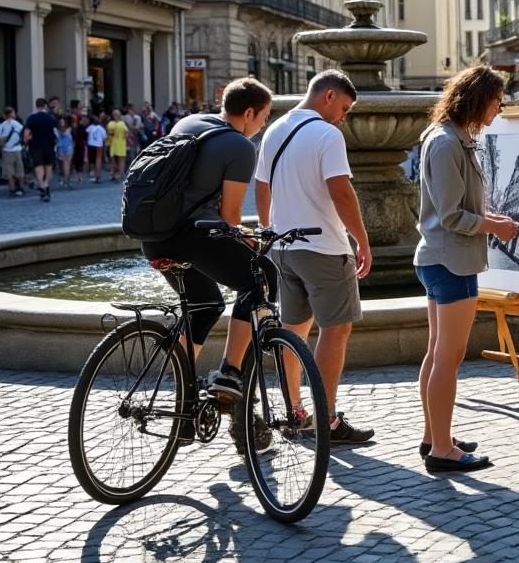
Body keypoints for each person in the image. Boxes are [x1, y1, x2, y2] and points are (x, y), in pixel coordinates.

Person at [137, 78, 276, 449]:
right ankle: (230, 373)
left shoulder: (188, 123)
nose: (263, 125)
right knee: (261, 277)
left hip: (153, 236)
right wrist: (250, 238)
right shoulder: (240, 146)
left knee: (207, 305)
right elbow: (229, 218)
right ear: (249, 113)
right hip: (191, 236)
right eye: (263, 117)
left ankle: (184, 408)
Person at [246, 70, 375, 446]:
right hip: (324, 247)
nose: (343, 118)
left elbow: (262, 186)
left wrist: (269, 230)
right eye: (344, 108)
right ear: (329, 96)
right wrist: (362, 241)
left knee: (294, 330)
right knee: (336, 329)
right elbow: (341, 192)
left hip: (285, 248)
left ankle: (295, 412)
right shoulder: (327, 135)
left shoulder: (274, 130)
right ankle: (327, 418)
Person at [413, 66, 518, 474]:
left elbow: (455, 208)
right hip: (450, 260)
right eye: (496, 101)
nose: (498, 109)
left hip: (444, 258)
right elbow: (452, 215)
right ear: (478, 99)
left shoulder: (451, 137)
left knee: (438, 352)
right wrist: (494, 226)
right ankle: (442, 450)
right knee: (448, 356)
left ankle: (433, 437)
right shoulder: (445, 143)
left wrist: (490, 218)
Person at [23, 98, 58, 202]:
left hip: (35, 146)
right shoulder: (50, 118)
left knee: (38, 167)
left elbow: (26, 134)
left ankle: (41, 185)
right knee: (49, 167)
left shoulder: (31, 118)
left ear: (36, 105)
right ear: (45, 106)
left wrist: (25, 143)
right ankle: (46, 183)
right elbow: (56, 130)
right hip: (49, 145)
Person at [0, 108, 26, 197]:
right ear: (12, 114)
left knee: (9, 171)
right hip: (17, 149)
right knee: (20, 170)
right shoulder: (18, 124)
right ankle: (21, 188)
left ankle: (12, 189)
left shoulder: (2, 126)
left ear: (4, 115)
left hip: (6, 150)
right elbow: (24, 135)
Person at [107, 108, 128, 182]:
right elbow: (126, 134)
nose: (115, 116)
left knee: (118, 160)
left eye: (116, 114)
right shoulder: (118, 124)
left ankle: (118, 175)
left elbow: (126, 134)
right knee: (116, 160)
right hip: (116, 143)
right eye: (114, 114)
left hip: (118, 143)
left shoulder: (114, 124)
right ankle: (116, 174)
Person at [55, 116, 76, 189]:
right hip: (69, 147)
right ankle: (67, 181)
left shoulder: (56, 130)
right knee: (67, 165)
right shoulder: (69, 129)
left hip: (61, 147)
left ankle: (64, 180)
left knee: (63, 165)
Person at [85, 115, 107, 182]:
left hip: (91, 145)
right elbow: (104, 137)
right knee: (98, 160)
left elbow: (86, 134)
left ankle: (93, 173)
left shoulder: (90, 127)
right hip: (98, 145)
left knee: (92, 161)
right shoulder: (101, 128)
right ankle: (98, 175)